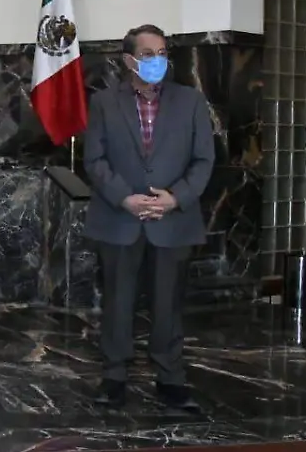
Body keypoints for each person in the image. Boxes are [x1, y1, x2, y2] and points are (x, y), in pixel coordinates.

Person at [82, 24, 214, 411]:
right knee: (117, 301)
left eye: (162, 53)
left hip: (172, 220)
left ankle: (171, 379)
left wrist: (176, 198)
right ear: (129, 60)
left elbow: (204, 159)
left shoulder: (191, 101)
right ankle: (114, 377)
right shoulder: (104, 102)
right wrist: (125, 198)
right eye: (148, 54)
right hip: (119, 219)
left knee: (168, 304)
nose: (157, 61)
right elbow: (95, 159)